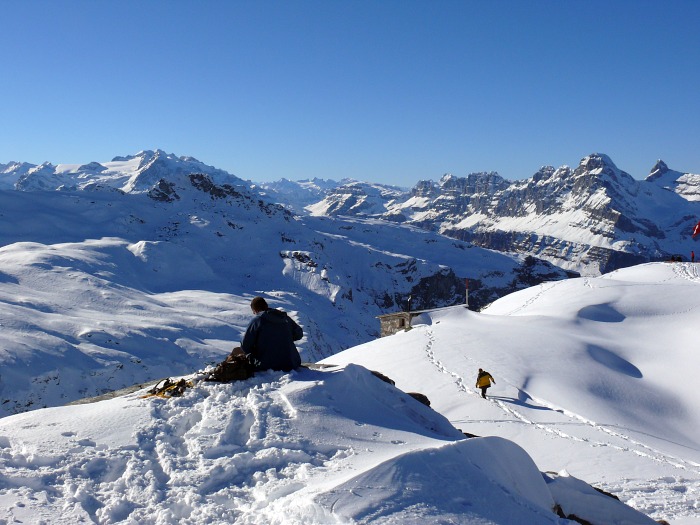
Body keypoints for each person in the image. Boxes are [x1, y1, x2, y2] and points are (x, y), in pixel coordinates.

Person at [232, 296, 303, 372]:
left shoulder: (257, 321)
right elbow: (299, 334)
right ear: (266, 306)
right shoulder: (284, 318)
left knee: (236, 351)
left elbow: (246, 346)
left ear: (254, 310)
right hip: (291, 362)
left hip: (266, 364)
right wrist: (284, 337)